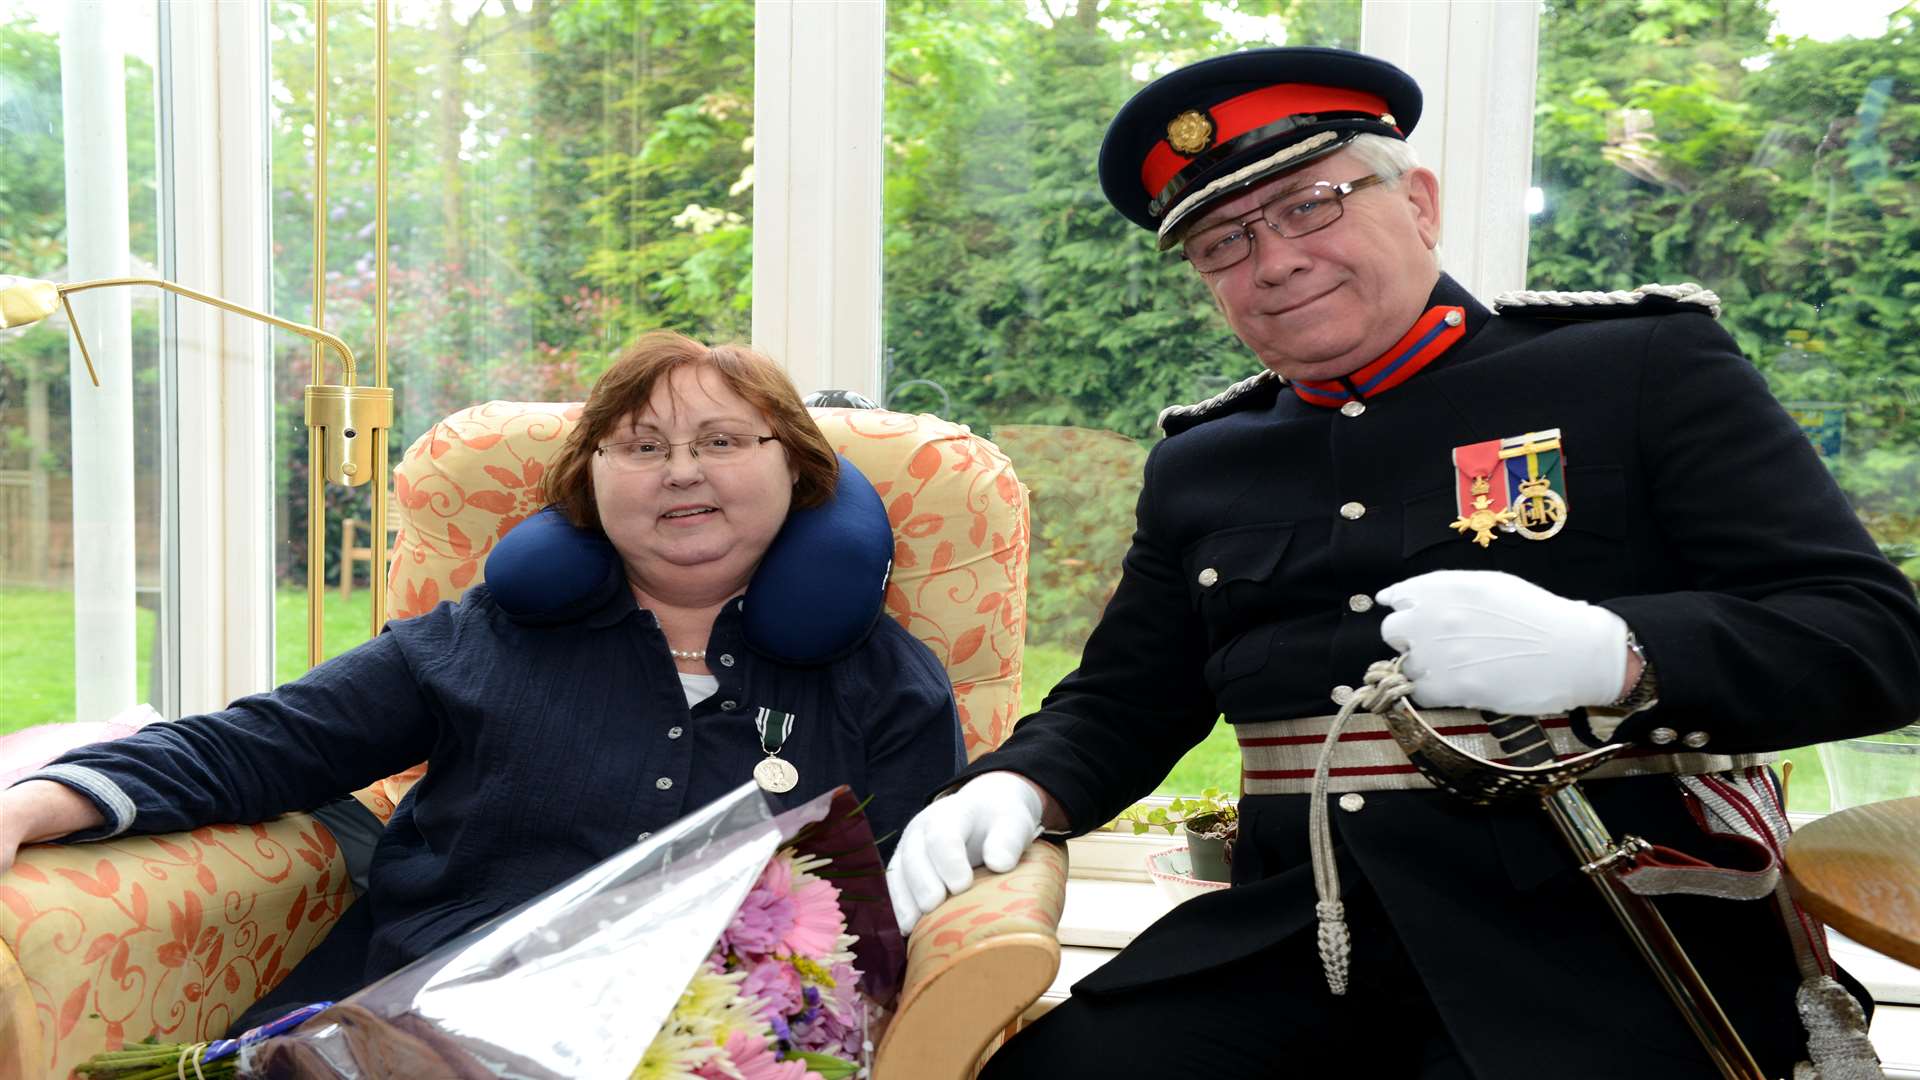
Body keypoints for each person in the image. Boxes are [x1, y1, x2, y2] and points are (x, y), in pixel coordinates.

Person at [884, 46, 1920, 1079]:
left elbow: (1871, 636)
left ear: (1418, 201)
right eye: (1222, 243)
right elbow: (1125, 701)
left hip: (1604, 931)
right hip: (1305, 940)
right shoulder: (1203, 464)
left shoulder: (1640, 370)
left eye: (1309, 206)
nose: (1273, 261)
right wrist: (1021, 783)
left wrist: (1619, 654)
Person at [0, 330, 964, 1032]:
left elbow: (894, 918)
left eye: (721, 441)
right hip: (410, 1024)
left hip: (712, 1048)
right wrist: (35, 806)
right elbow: (265, 743)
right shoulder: (485, 638)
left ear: (796, 469)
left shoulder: (881, 683)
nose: (680, 472)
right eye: (640, 446)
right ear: (591, 479)